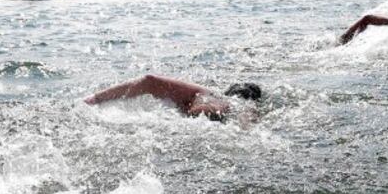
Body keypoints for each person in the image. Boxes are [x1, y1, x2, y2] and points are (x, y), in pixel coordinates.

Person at [85, 74, 261, 122]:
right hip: (218, 121)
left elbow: (149, 80)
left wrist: (96, 98)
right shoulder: (245, 107)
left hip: (193, 118)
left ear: (228, 91)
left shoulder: (206, 93)